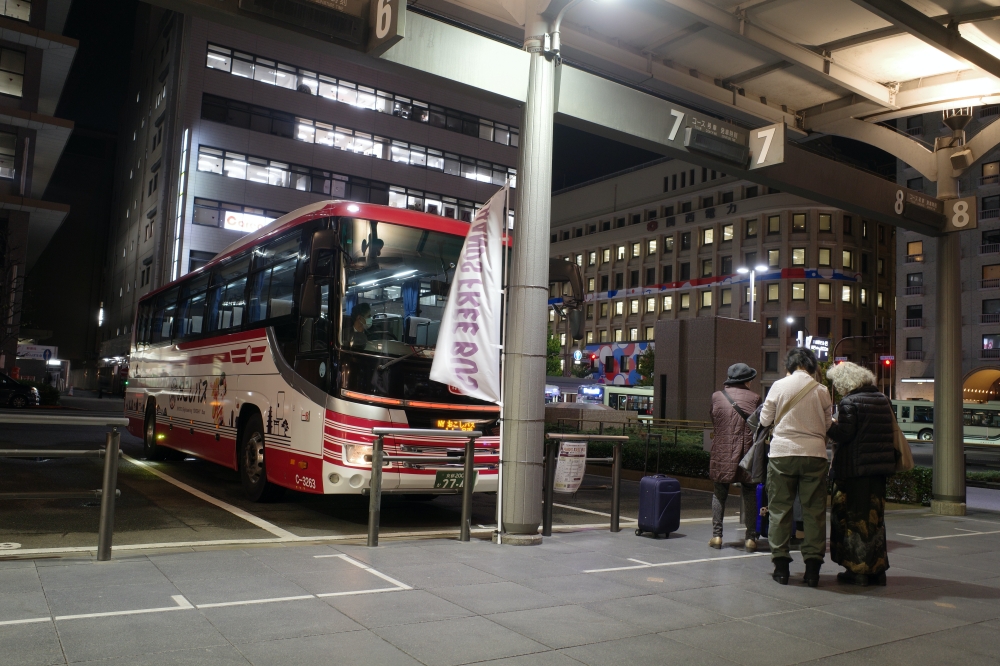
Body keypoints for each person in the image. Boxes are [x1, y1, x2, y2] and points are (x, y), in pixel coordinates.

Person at [759, 348, 832, 587]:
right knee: (814, 512)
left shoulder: (778, 386)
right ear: (812, 366)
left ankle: (781, 568)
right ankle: (812, 571)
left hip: (782, 455)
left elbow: (763, 420)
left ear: (789, 366)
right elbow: (829, 424)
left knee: (780, 510)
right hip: (815, 455)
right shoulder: (821, 390)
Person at [825, 361, 896, 586]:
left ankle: (858, 570)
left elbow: (844, 434)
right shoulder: (883, 400)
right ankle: (878, 570)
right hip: (878, 471)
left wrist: (829, 424)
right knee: (875, 519)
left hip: (854, 472)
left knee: (855, 520)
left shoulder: (850, 402)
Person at [708, 363, 763, 551]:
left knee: (719, 493)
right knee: (749, 493)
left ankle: (716, 536)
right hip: (747, 453)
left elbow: (714, 420)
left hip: (722, 451)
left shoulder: (717, 396)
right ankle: (750, 538)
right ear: (747, 381)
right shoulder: (755, 398)